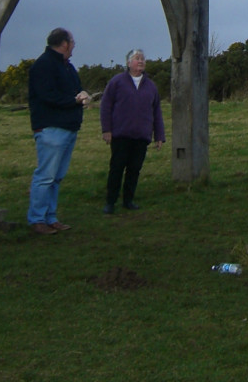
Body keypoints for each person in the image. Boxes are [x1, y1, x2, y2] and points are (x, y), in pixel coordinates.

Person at [27, 28, 91, 235]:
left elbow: (72, 91)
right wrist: (74, 100)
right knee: (45, 176)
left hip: (68, 128)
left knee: (56, 177)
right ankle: (37, 219)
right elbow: (47, 96)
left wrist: (81, 95)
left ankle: (50, 217)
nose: (73, 46)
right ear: (64, 43)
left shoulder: (68, 67)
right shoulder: (44, 65)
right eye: (72, 42)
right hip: (51, 128)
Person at [100, 49, 165, 214]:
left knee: (134, 170)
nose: (141, 61)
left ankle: (128, 200)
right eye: (137, 58)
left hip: (141, 136)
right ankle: (110, 202)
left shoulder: (151, 86)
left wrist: (159, 136)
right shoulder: (117, 82)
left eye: (143, 58)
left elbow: (156, 112)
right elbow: (106, 106)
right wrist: (106, 129)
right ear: (129, 63)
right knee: (116, 168)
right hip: (121, 135)